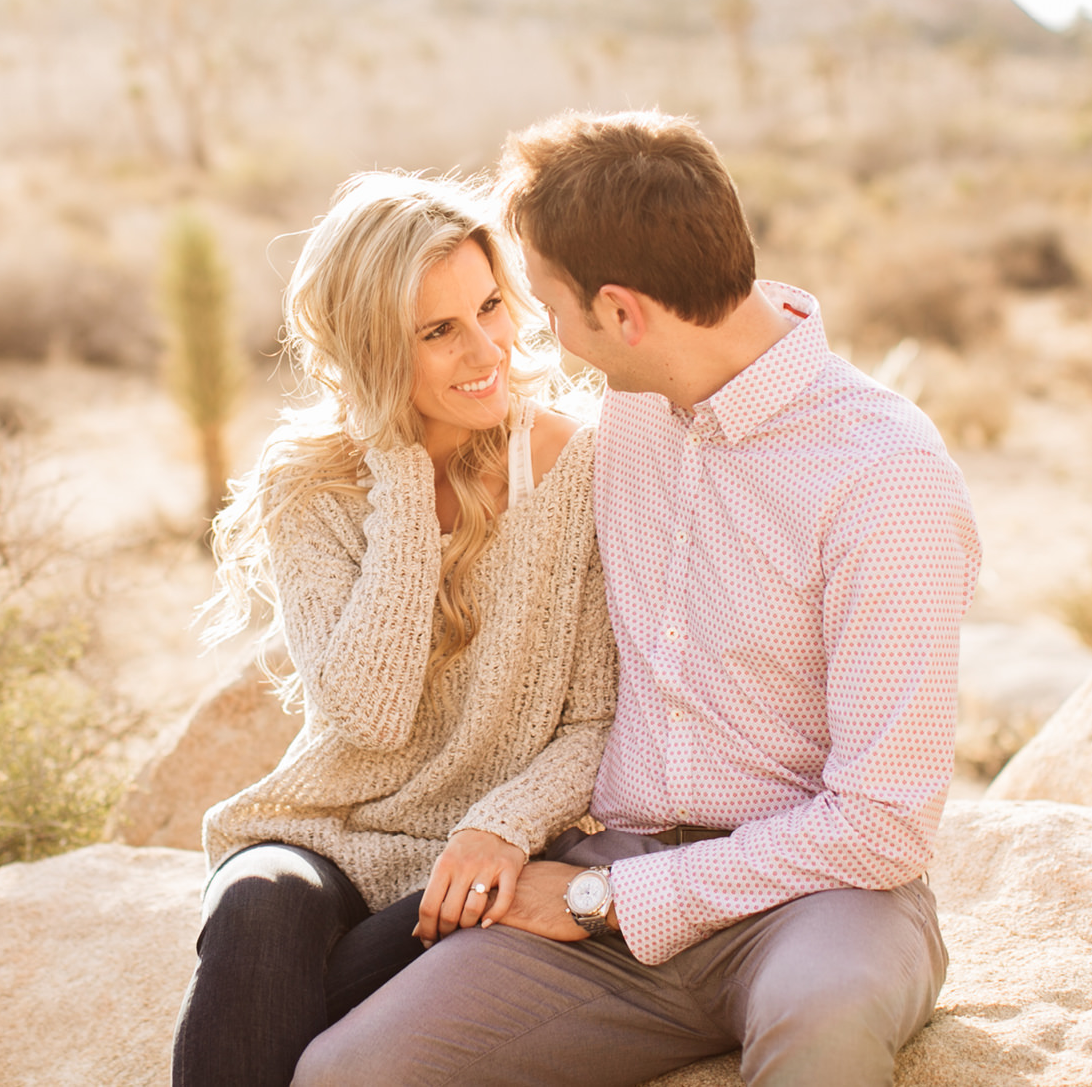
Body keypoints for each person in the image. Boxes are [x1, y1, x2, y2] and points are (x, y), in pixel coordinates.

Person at [295, 112, 981, 1087]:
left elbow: (881, 825)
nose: (535, 334)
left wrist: (606, 896)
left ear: (621, 313)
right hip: (604, 888)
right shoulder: (623, 413)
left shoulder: (883, 479)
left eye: (544, 307)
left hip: (818, 897)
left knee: (819, 1040)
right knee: (349, 1072)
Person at [170, 171, 617, 1087]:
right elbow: (365, 717)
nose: (487, 348)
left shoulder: (575, 466)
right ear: (373, 350)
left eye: (492, 306)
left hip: (472, 860)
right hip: (324, 839)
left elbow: (596, 720)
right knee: (258, 908)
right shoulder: (311, 481)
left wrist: (502, 824)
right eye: (438, 331)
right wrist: (403, 472)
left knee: (290, 1005)